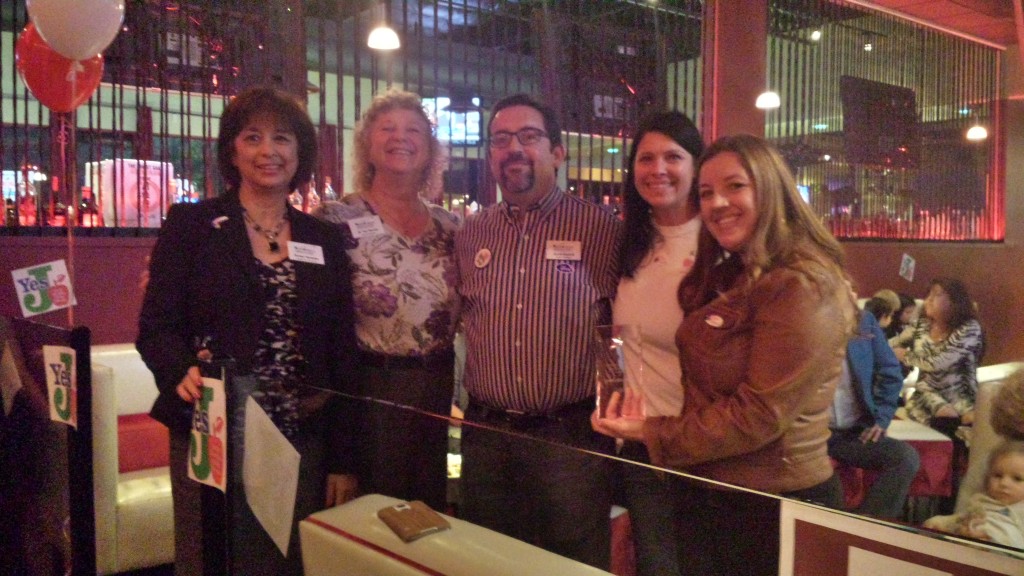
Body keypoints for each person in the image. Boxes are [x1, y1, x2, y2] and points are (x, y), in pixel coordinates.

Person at [593, 134, 855, 576]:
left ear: (770, 188)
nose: (717, 204)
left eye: (735, 186)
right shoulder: (736, 274)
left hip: (772, 504)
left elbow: (758, 416)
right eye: (707, 192)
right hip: (718, 491)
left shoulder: (801, 284)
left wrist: (652, 431)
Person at [136, 87, 359, 576]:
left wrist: (344, 457)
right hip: (211, 424)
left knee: (286, 559)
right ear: (232, 149)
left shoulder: (322, 237)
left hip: (299, 431)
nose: (268, 151)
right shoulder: (193, 224)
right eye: (252, 137)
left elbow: (342, 350)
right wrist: (178, 369)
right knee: (210, 554)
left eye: (282, 138)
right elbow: (156, 326)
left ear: (299, 153)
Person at [455, 93, 621, 569]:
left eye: (529, 137)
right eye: (502, 140)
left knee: (572, 564)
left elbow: (619, 328)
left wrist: (615, 415)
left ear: (557, 152)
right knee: (487, 562)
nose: (514, 149)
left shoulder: (601, 229)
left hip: (570, 439)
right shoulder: (471, 234)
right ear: (490, 155)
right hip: (487, 437)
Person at [316, 89, 460, 512]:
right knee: (373, 513)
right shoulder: (335, 220)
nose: (402, 138)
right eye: (388, 128)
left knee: (426, 511)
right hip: (368, 387)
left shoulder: (450, 227)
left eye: (414, 130)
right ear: (367, 145)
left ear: (430, 148)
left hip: (435, 386)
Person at [611, 110, 703, 576]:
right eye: (646, 158)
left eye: (673, 156)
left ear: (696, 165)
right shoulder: (629, 241)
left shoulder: (718, 243)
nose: (658, 169)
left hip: (703, 448)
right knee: (657, 565)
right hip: (642, 448)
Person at [828, 301, 920, 519]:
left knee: (905, 458)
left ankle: (867, 526)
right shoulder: (799, 321)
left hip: (851, 433)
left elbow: (889, 370)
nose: (850, 293)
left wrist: (881, 418)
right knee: (830, 492)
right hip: (810, 434)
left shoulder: (863, 321)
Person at [890, 277, 983, 427]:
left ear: (954, 301)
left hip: (960, 394)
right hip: (927, 393)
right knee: (942, 413)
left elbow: (939, 362)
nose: (929, 300)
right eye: (929, 295)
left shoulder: (969, 328)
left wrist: (905, 356)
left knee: (961, 417)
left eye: (936, 295)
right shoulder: (922, 324)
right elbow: (894, 343)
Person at [923, 441, 1024, 549]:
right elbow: (961, 518)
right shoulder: (981, 501)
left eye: (1017, 479)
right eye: (998, 476)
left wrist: (992, 541)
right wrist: (943, 524)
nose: (1004, 483)